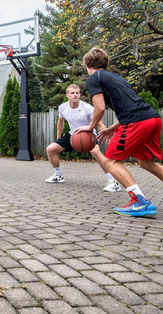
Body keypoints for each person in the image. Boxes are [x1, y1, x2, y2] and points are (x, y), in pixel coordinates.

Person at [77, 47, 162, 217]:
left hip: (136, 122)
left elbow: (99, 107)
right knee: (146, 162)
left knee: (110, 161)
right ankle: (140, 201)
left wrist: (90, 126)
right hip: (152, 118)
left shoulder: (93, 78)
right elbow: (129, 106)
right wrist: (111, 128)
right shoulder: (115, 77)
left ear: (87, 64)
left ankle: (140, 202)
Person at [45, 84, 121, 192]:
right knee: (50, 149)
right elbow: (60, 121)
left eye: (77, 93)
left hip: (88, 134)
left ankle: (113, 181)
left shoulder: (87, 108)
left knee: (96, 153)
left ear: (80, 95)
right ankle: (58, 175)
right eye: (72, 93)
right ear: (67, 95)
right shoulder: (63, 107)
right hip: (72, 134)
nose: (75, 95)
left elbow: (99, 123)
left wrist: (105, 133)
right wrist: (58, 136)